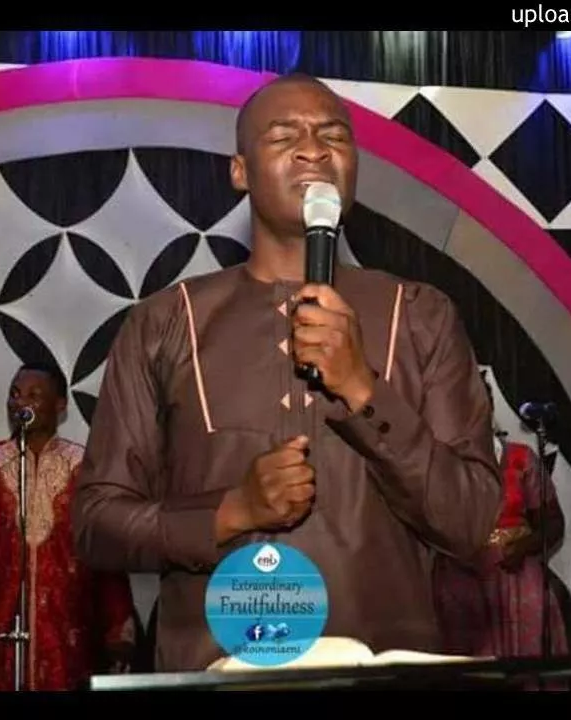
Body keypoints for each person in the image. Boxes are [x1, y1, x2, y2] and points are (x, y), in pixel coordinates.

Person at [70, 73, 503, 672]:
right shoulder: (166, 322)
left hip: (383, 671)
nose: (314, 150)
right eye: (284, 136)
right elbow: (96, 525)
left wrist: (362, 389)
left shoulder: (421, 315)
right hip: (215, 673)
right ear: (240, 171)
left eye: (334, 136)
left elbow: (471, 520)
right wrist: (231, 512)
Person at [0, 362, 137, 691]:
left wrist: (118, 631)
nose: (20, 402)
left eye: (33, 395)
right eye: (14, 394)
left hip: (68, 636)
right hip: (0, 634)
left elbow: (107, 557)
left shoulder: (85, 468)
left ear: (60, 405)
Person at [432, 374, 569, 672]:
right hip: (461, 581)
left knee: (528, 667)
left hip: (516, 574)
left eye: (479, 402)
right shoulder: (437, 462)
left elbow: (553, 523)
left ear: (491, 406)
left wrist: (524, 546)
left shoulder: (521, 458)